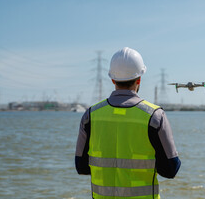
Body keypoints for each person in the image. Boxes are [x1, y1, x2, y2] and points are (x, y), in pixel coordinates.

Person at [75, 47, 181, 199]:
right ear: (139, 79)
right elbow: (171, 170)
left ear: (113, 80)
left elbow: (81, 167)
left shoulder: (90, 115)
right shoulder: (154, 116)